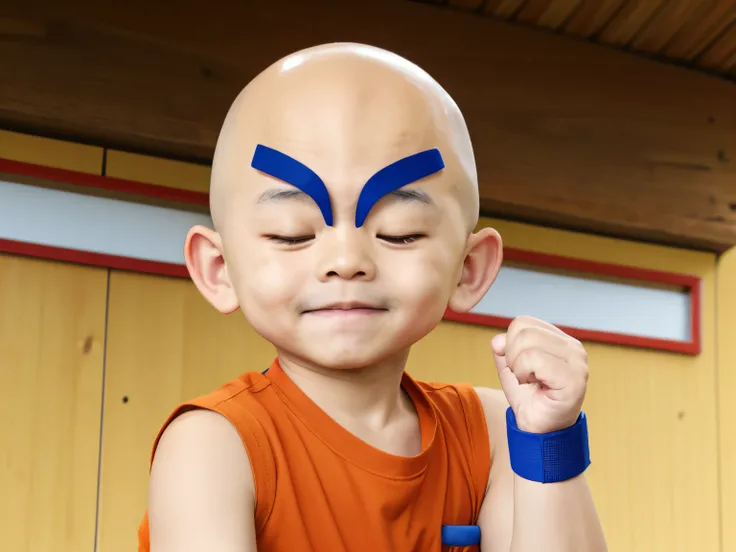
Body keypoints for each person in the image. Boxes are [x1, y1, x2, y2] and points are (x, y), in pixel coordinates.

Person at [138, 42, 607, 552]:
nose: (346, 259)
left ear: (469, 268)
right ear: (218, 268)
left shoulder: (494, 431)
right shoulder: (215, 444)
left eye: (400, 232)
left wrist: (547, 440)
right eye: (293, 232)